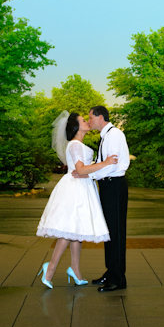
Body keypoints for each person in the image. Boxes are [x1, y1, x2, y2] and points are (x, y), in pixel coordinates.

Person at [35, 111, 118, 289]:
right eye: (83, 120)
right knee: (68, 232)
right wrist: (106, 163)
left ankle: (75, 269)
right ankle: (50, 268)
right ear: (75, 126)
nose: (87, 122)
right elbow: (80, 170)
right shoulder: (75, 145)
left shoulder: (78, 144)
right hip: (75, 189)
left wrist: (92, 170)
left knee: (76, 233)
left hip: (81, 187)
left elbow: (82, 170)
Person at [75, 105, 130, 292]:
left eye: (91, 118)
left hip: (114, 185)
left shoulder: (114, 135)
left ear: (100, 117)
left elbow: (111, 166)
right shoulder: (106, 135)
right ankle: (111, 272)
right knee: (109, 231)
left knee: (116, 232)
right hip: (107, 185)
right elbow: (103, 163)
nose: (89, 122)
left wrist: (86, 174)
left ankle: (118, 279)